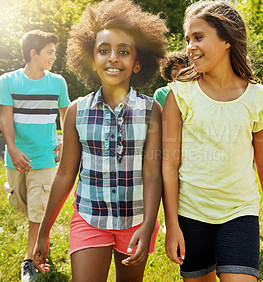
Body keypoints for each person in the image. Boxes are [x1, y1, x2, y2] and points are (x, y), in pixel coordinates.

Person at [32, 0, 167, 281]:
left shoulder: (152, 110)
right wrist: (43, 232)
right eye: (104, 51)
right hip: (89, 218)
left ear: (138, 62)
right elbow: (66, 173)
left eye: (124, 52)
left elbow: (153, 173)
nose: (113, 58)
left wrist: (149, 223)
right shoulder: (76, 111)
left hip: (136, 220)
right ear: (92, 61)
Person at [162, 1, 263, 281]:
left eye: (199, 37)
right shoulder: (179, 95)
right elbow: (169, 164)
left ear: (227, 38)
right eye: (188, 38)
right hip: (191, 215)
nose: (190, 46)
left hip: (240, 214)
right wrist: (171, 223)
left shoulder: (258, 98)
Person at [0, 29, 70, 282]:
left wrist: (65, 142)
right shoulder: (8, 80)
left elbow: (65, 114)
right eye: (49, 52)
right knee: (20, 202)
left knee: (38, 211)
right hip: (16, 157)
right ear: (34, 53)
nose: (53, 57)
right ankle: (38, 243)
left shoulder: (57, 82)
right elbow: (5, 117)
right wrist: (13, 150)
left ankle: (30, 260)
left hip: (44, 158)